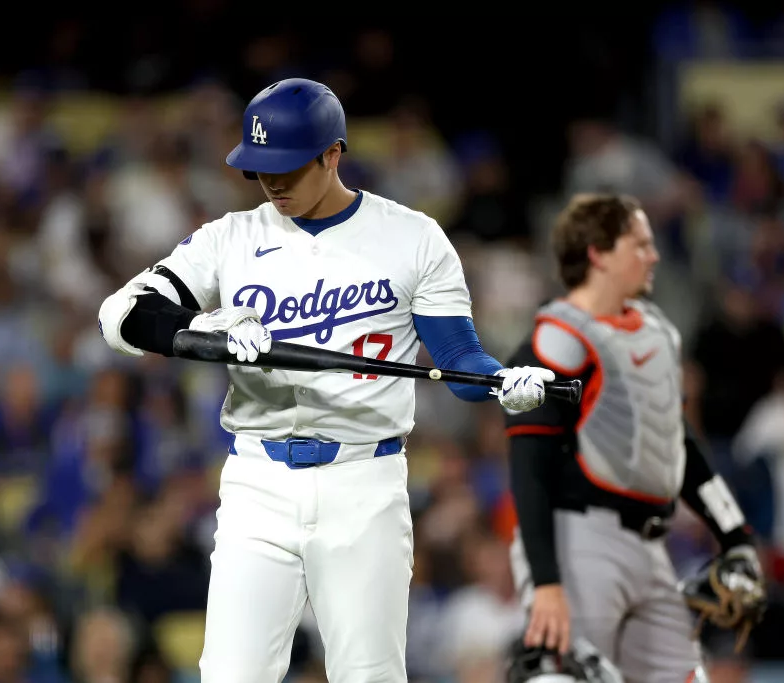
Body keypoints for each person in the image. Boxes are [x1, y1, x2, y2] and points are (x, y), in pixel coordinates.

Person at [96, 77, 556, 683]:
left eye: (288, 166)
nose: (273, 182)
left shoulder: (412, 238)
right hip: (257, 483)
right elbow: (119, 315)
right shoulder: (230, 238)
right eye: (261, 169)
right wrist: (205, 326)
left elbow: (459, 363)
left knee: (369, 677)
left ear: (333, 154)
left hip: (364, 483)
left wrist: (500, 382)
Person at [503, 193, 765, 682]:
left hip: (650, 544)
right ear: (598, 253)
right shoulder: (552, 341)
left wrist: (736, 536)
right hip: (578, 539)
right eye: (640, 244)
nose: (654, 255)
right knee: (565, 676)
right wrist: (546, 583)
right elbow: (527, 469)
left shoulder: (653, 331)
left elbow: (678, 446)